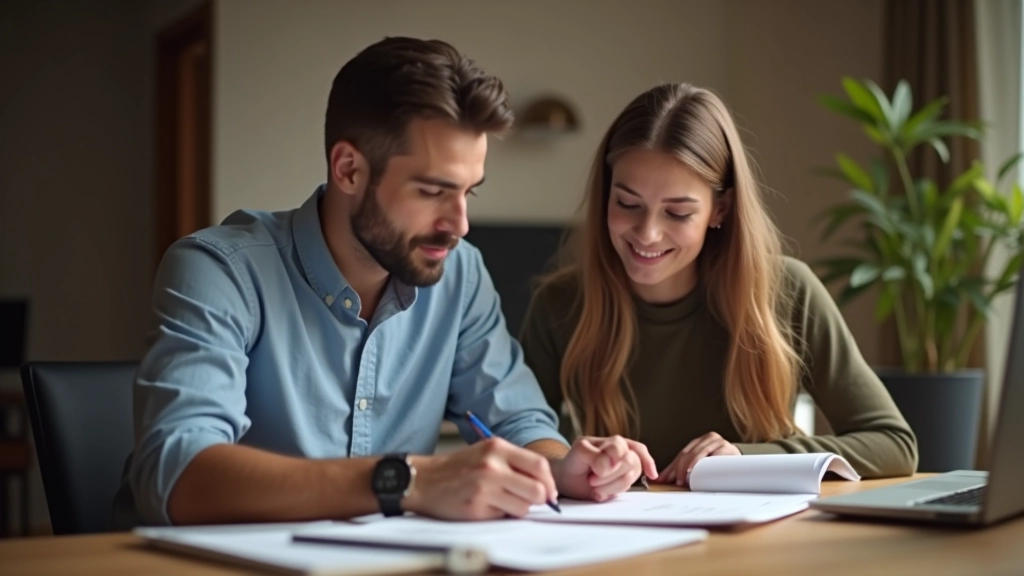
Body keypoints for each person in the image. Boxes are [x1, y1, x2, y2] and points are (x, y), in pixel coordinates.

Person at [114, 37, 656, 528]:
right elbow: (176, 473)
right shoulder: (219, 269)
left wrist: (563, 465)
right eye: (431, 191)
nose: (459, 224)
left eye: (469, 192)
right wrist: (408, 481)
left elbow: (515, 418)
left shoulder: (460, 274)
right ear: (349, 169)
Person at [519, 83, 917, 486]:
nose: (648, 233)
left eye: (677, 213)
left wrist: (745, 458)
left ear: (719, 209)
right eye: (627, 204)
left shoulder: (788, 291)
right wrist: (573, 464)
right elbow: (519, 438)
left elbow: (895, 444)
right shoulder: (561, 304)